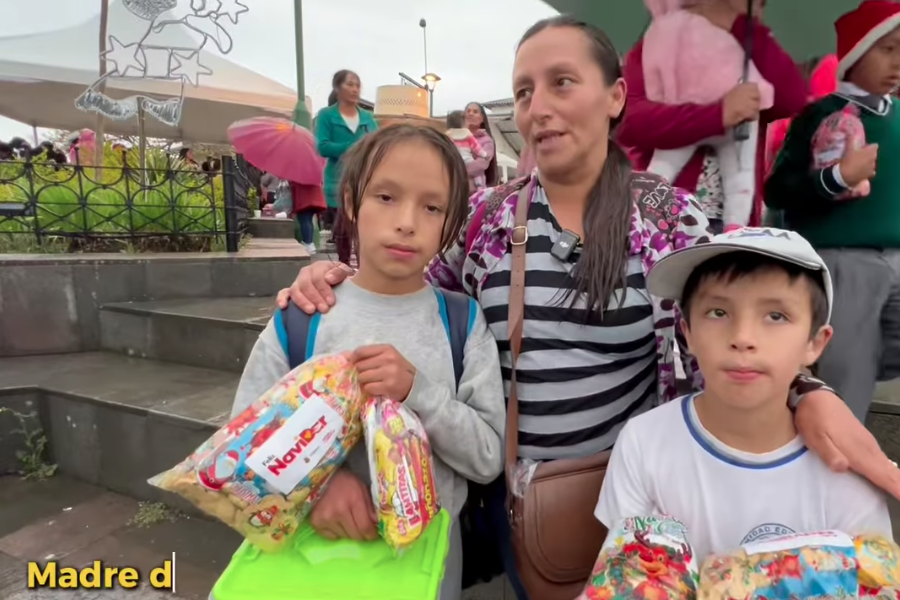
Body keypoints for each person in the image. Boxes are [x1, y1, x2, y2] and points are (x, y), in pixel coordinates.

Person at [277, 15, 900, 600]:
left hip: (651, 497)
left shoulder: (669, 219)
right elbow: (411, 303)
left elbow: (732, 329)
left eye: (562, 83)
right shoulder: (487, 220)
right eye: (523, 92)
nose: (538, 107)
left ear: (615, 97)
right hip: (522, 507)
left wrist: (805, 392)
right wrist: (336, 280)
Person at [231, 124, 505, 600]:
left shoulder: (461, 323)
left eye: (432, 207)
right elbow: (240, 448)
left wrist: (418, 393)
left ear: (451, 222)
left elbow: (486, 458)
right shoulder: (305, 315)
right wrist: (315, 488)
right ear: (352, 201)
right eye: (386, 197)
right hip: (311, 571)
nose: (407, 222)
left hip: (427, 571)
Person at [597, 227, 891, 560]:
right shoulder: (644, 443)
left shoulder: (843, 470)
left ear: (815, 343)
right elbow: (628, 573)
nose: (742, 337)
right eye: (718, 312)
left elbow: (872, 576)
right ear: (687, 332)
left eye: (775, 316)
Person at [764, 0, 900, 423]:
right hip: (842, 261)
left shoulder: (897, 116)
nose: (897, 62)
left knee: (862, 361)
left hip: (896, 258)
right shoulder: (820, 115)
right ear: (855, 54)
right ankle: (833, 453)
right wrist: (838, 177)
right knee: (846, 382)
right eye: (888, 49)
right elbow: (777, 190)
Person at [619, 0, 807, 231]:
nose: (757, 10)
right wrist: (717, 115)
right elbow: (629, 120)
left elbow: (792, 98)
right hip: (664, 222)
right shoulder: (659, 41)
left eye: (761, 4)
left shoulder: (752, 53)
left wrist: (745, 30)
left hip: (732, 225)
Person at [641, 0, 774, 229]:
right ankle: (640, 220)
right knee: (737, 177)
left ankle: (640, 218)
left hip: (703, 110)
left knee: (665, 169)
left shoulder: (750, 39)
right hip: (704, 113)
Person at [316, 69, 378, 264]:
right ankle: (344, 268)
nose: (355, 89)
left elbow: (377, 143)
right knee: (343, 230)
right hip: (337, 181)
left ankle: (365, 268)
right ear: (337, 87)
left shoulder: (367, 117)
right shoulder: (326, 115)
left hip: (364, 180)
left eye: (358, 85)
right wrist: (353, 147)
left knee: (364, 228)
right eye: (350, 84)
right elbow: (323, 147)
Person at [445, 110, 488, 192]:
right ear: (463, 123)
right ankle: (479, 185)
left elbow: (445, 147)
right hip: (467, 159)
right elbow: (476, 147)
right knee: (478, 172)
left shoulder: (448, 135)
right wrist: (484, 155)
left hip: (454, 160)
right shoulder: (468, 134)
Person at [461, 102, 499, 191]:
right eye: (468, 111)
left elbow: (481, 164)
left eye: (475, 112)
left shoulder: (487, 141)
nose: (471, 114)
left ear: (482, 118)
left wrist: (458, 171)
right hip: (454, 189)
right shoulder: (455, 137)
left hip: (475, 191)